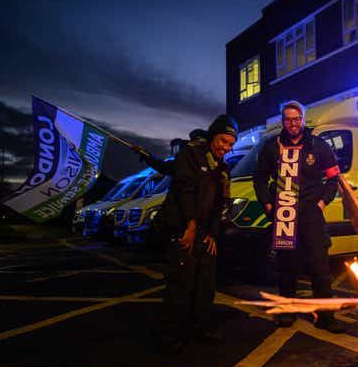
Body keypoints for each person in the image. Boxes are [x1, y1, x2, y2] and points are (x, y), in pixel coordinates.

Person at [253, 100, 346, 333]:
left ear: (303, 119)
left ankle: (326, 317)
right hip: (284, 215)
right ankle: (287, 313)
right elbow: (260, 179)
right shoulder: (271, 147)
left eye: (297, 119)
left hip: (312, 215)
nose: (293, 124)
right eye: (288, 120)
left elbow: (334, 177)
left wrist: (323, 201)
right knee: (287, 267)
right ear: (282, 121)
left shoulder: (318, 145)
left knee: (320, 267)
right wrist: (266, 204)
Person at [154, 114, 238, 353]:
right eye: (223, 141)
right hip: (182, 228)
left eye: (230, 144)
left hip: (203, 232)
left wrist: (213, 234)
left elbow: (220, 203)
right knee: (181, 282)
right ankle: (171, 335)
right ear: (213, 136)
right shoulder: (190, 154)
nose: (225, 147)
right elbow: (185, 189)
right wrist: (190, 226)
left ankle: (201, 328)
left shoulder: (222, 168)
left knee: (205, 283)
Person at [131, 129, 209, 176]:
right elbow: (162, 166)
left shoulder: (210, 164)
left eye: (201, 143)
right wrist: (146, 155)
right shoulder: (182, 163)